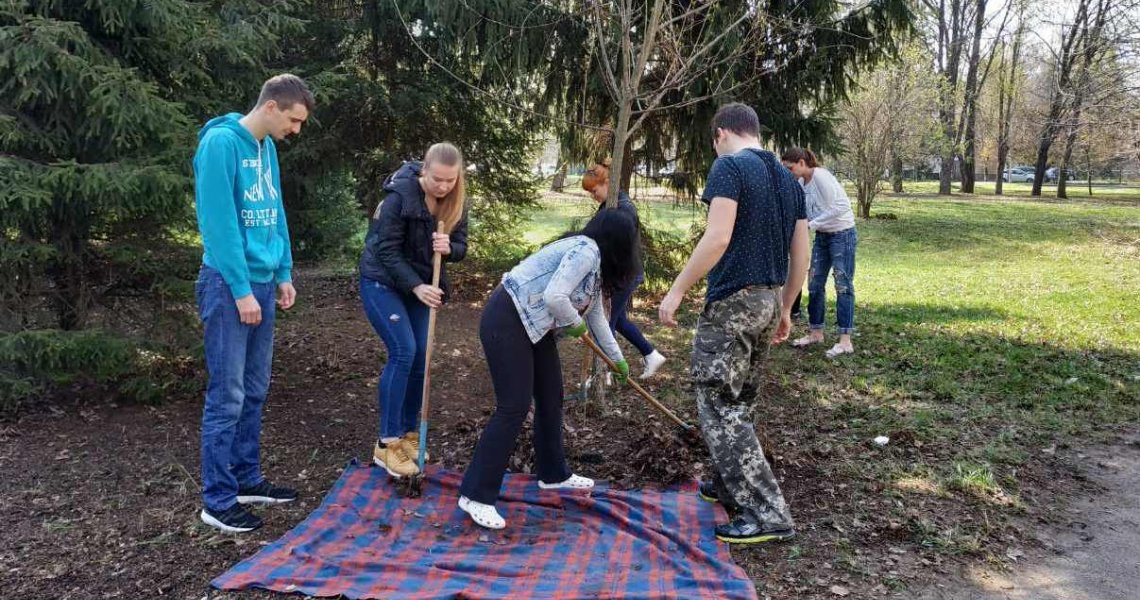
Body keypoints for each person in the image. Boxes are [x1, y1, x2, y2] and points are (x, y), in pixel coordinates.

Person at [659, 102, 809, 544]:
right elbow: (801, 253)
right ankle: (727, 485)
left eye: (714, 142)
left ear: (721, 134)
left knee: (719, 404)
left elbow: (718, 235)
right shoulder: (789, 179)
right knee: (739, 401)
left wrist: (678, 288)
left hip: (732, 304)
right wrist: (785, 307)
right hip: (767, 299)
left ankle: (768, 513)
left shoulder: (729, 169)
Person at [458, 209, 638, 529]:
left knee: (551, 396)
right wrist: (574, 324)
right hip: (508, 317)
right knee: (513, 407)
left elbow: (596, 318)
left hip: (535, 327)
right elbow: (556, 297)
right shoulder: (586, 251)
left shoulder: (596, 270)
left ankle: (553, 474)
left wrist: (616, 358)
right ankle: (476, 495)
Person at [193, 74, 314, 533]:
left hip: (262, 283)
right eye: (294, 120)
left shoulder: (267, 149)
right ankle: (217, 499)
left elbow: (276, 212)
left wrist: (283, 273)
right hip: (228, 286)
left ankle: (246, 478)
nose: (296, 130)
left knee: (255, 389)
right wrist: (242, 289)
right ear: (271, 107)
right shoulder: (221, 145)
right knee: (227, 396)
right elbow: (219, 224)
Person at [358, 143, 469, 479]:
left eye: (450, 180)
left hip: (420, 285)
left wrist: (451, 247)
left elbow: (462, 245)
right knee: (404, 351)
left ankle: (408, 434)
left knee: (421, 356)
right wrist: (417, 287)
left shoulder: (456, 201)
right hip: (383, 282)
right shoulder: (398, 198)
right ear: (425, 171)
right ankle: (386, 443)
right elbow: (387, 252)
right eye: (437, 179)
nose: (443, 186)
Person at [581, 160, 667, 379]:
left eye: (594, 190)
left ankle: (606, 371)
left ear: (607, 182)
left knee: (606, 321)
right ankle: (650, 354)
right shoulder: (610, 206)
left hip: (625, 274)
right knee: (617, 320)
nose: (593, 195)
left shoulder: (624, 208)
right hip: (622, 273)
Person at [781, 148, 858, 358]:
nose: (789, 172)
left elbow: (841, 206)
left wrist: (812, 225)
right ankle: (816, 332)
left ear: (803, 163)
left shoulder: (821, 177)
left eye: (791, 168)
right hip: (822, 237)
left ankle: (845, 341)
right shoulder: (799, 183)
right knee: (814, 284)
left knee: (843, 286)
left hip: (842, 234)